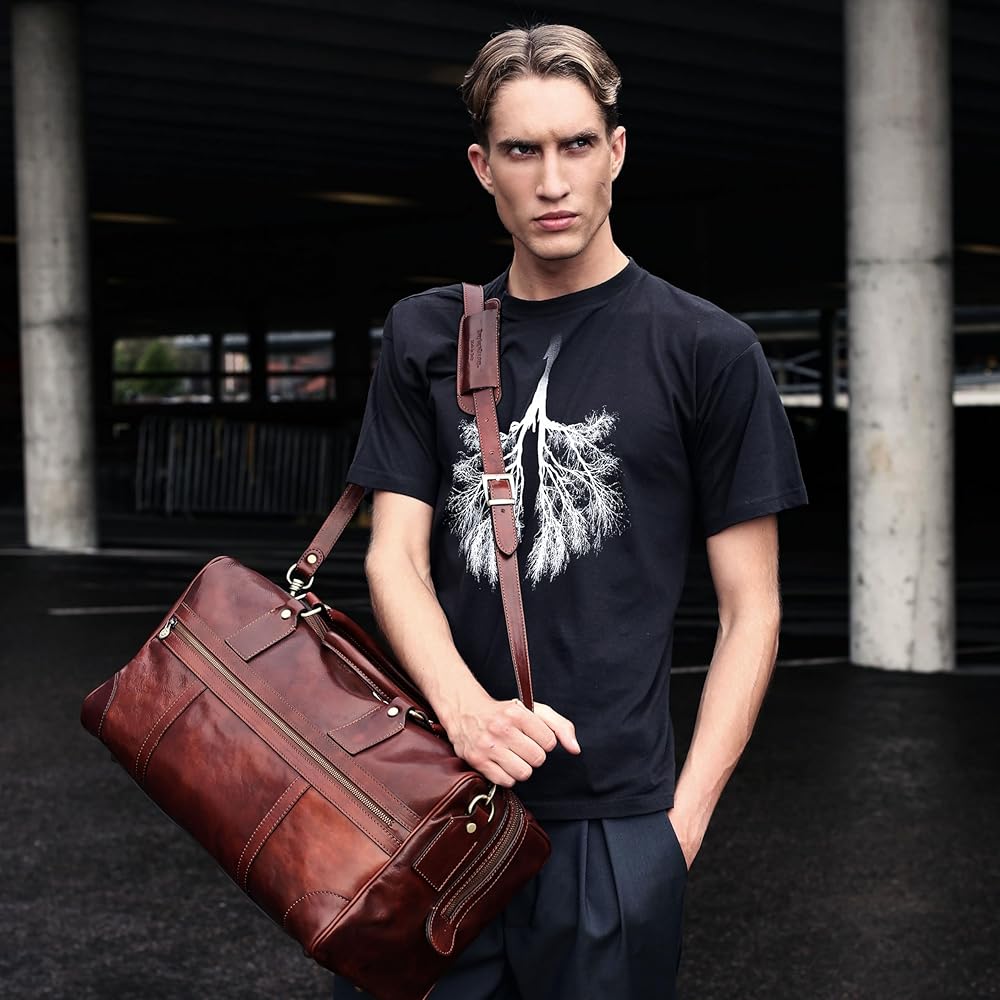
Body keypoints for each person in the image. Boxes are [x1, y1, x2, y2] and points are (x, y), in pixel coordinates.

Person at [333, 23, 807, 1000]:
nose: (552, 181)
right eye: (522, 150)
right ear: (483, 168)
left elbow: (752, 609)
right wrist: (466, 714)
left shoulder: (707, 350)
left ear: (615, 153)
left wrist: (677, 831)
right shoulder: (425, 334)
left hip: (614, 826)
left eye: (576, 144)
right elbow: (394, 558)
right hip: (432, 802)